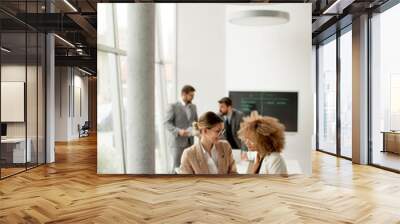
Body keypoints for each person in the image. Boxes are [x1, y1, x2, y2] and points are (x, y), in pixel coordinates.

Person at [164, 85, 198, 172]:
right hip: (177, 143)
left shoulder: (193, 107)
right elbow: (167, 123)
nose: (193, 98)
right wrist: (178, 131)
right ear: (183, 94)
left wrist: (196, 129)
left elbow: (196, 122)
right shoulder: (173, 106)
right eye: (191, 95)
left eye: (193, 95)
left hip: (190, 142)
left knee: (187, 167)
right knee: (176, 167)